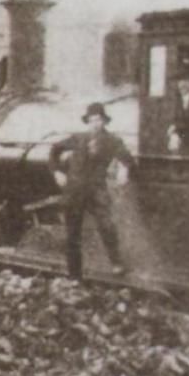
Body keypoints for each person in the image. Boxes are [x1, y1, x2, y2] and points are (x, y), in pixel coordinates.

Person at [49, 102, 135, 280]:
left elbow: (127, 158)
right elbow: (54, 150)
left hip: (96, 191)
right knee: (73, 234)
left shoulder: (112, 141)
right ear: (87, 122)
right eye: (91, 120)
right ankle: (74, 276)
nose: (95, 124)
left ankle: (116, 263)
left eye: (98, 120)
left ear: (104, 122)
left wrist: (125, 168)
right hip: (74, 190)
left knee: (107, 225)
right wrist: (57, 172)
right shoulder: (78, 138)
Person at [166, 75, 189, 155]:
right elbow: (174, 120)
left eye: (186, 81)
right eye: (180, 82)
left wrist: (176, 127)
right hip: (180, 140)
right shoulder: (177, 102)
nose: (182, 85)